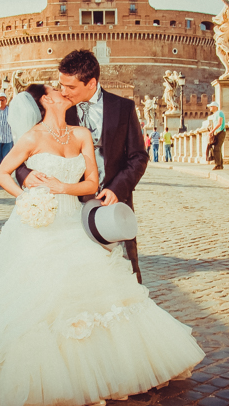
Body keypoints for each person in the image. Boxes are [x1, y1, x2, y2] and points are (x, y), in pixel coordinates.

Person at [0, 83, 205, 406]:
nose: (64, 92)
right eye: (57, 90)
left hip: (72, 220)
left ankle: (105, 373)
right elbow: (3, 172)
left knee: (96, 292)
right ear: (45, 100)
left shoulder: (81, 134)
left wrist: (61, 188)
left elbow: (91, 182)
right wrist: (23, 197)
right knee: (42, 301)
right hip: (37, 226)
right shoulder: (30, 137)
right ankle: (55, 382)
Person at [10, 49, 148, 284]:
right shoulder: (57, 107)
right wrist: (26, 176)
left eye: (71, 87)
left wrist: (117, 188)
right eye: (60, 85)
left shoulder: (123, 107)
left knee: (124, 275)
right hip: (69, 208)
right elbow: (25, 151)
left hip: (111, 201)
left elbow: (138, 156)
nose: (63, 92)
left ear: (92, 83)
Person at [207, 101, 226, 170]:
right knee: (216, 149)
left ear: (215, 107)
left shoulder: (220, 113)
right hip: (216, 133)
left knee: (217, 148)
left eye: (211, 106)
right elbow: (214, 124)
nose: (210, 108)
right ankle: (220, 164)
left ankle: (218, 165)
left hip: (221, 132)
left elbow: (219, 123)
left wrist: (212, 131)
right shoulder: (214, 115)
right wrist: (211, 130)